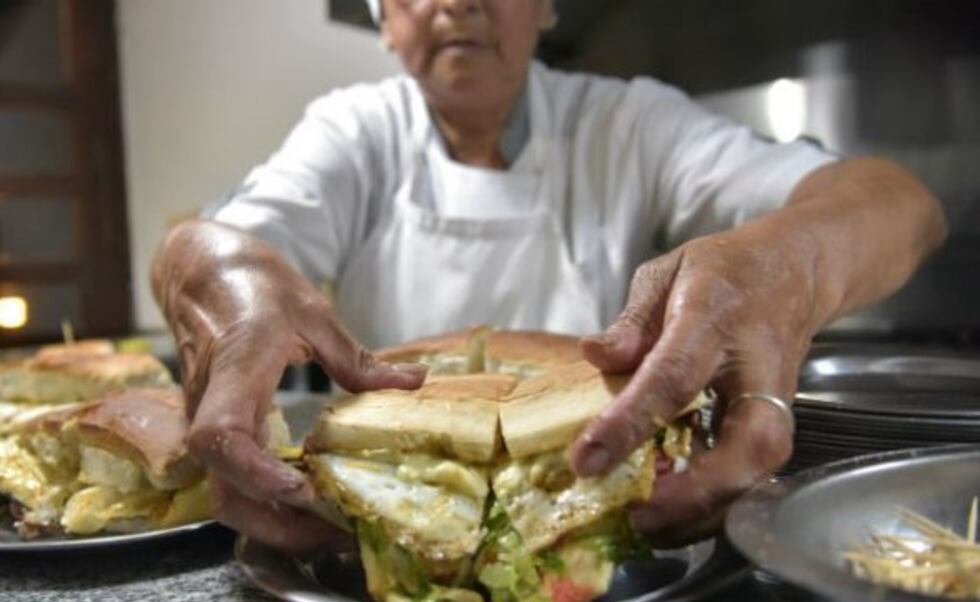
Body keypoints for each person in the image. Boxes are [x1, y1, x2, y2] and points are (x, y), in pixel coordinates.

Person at [151, 0, 945, 552]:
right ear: (387, 21)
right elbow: (216, 243)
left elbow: (904, 205)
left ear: (546, 8)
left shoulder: (629, 124)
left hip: (611, 499)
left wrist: (787, 265)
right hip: (384, 510)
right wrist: (222, 280)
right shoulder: (355, 132)